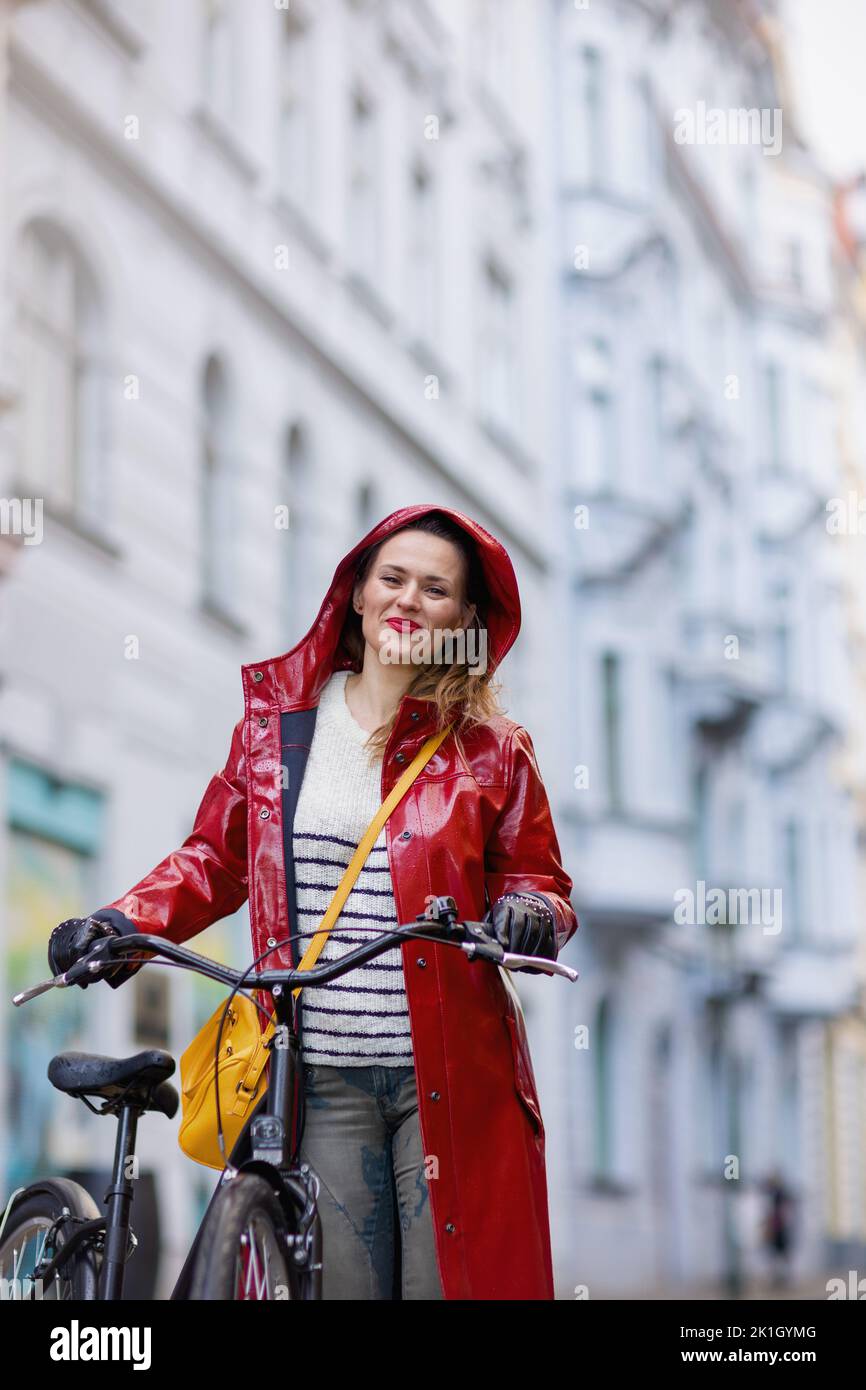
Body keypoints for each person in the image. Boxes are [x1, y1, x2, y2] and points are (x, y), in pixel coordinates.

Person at [48, 504, 578, 1299]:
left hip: (452, 1076)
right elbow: (215, 857)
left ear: (464, 619)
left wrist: (531, 912)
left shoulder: (494, 750)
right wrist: (122, 923)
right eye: (392, 578)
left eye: (435, 590)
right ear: (357, 594)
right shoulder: (279, 731)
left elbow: (538, 879)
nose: (407, 600)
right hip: (322, 1075)